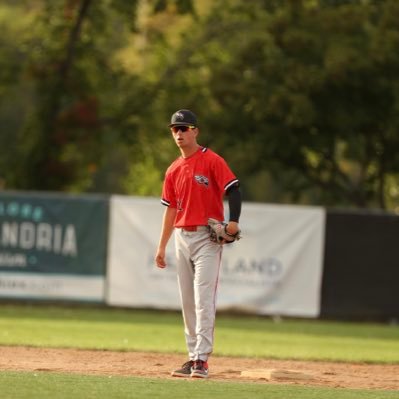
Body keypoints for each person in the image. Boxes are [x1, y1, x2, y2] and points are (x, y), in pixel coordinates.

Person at [155, 109, 242, 379]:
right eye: (175, 129)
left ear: (195, 131)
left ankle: (202, 360)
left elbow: (233, 189)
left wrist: (234, 220)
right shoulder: (173, 169)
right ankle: (192, 356)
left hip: (207, 237)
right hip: (182, 236)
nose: (179, 133)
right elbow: (170, 210)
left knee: (203, 298)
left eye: (184, 128)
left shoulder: (212, 160)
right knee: (187, 301)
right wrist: (161, 246)